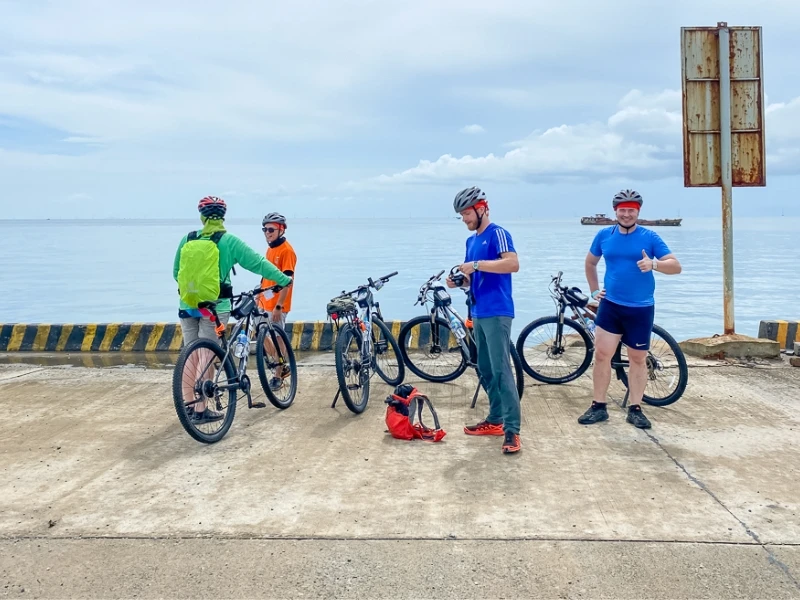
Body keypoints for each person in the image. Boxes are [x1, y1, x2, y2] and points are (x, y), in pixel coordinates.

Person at [173, 196, 292, 419]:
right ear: (223, 217)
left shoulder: (187, 239)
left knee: (191, 354)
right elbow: (258, 263)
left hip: (186, 305)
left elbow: (175, 273)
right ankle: (201, 409)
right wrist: (283, 280)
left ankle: (189, 405)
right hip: (215, 307)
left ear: (202, 217)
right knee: (207, 354)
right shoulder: (228, 241)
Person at [578, 189, 682, 429]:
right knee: (602, 355)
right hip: (611, 306)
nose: (626, 214)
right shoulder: (604, 235)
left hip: (640, 308)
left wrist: (654, 264)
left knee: (638, 358)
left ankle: (635, 409)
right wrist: (594, 292)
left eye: (631, 210)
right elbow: (590, 262)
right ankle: (598, 406)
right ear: (616, 211)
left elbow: (676, 267)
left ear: (638, 212)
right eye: (622, 210)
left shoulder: (650, 237)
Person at [446, 186, 522, 454]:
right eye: (461, 215)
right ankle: (495, 419)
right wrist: (459, 281)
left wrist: (477, 265)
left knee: (502, 370)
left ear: (482, 209)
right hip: (477, 312)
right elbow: (471, 276)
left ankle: (512, 430)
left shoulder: (498, 234)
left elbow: (512, 264)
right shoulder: (471, 242)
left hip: (497, 311)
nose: (464, 219)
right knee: (486, 369)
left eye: (466, 213)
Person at [255, 212, 297, 390]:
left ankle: (278, 373)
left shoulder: (287, 251)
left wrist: (279, 306)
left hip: (279, 303)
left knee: (279, 337)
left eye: (271, 229)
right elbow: (266, 274)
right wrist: (259, 290)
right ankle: (281, 364)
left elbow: (287, 281)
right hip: (264, 301)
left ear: (281, 229)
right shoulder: (270, 249)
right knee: (260, 333)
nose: (267, 233)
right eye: (264, 229)